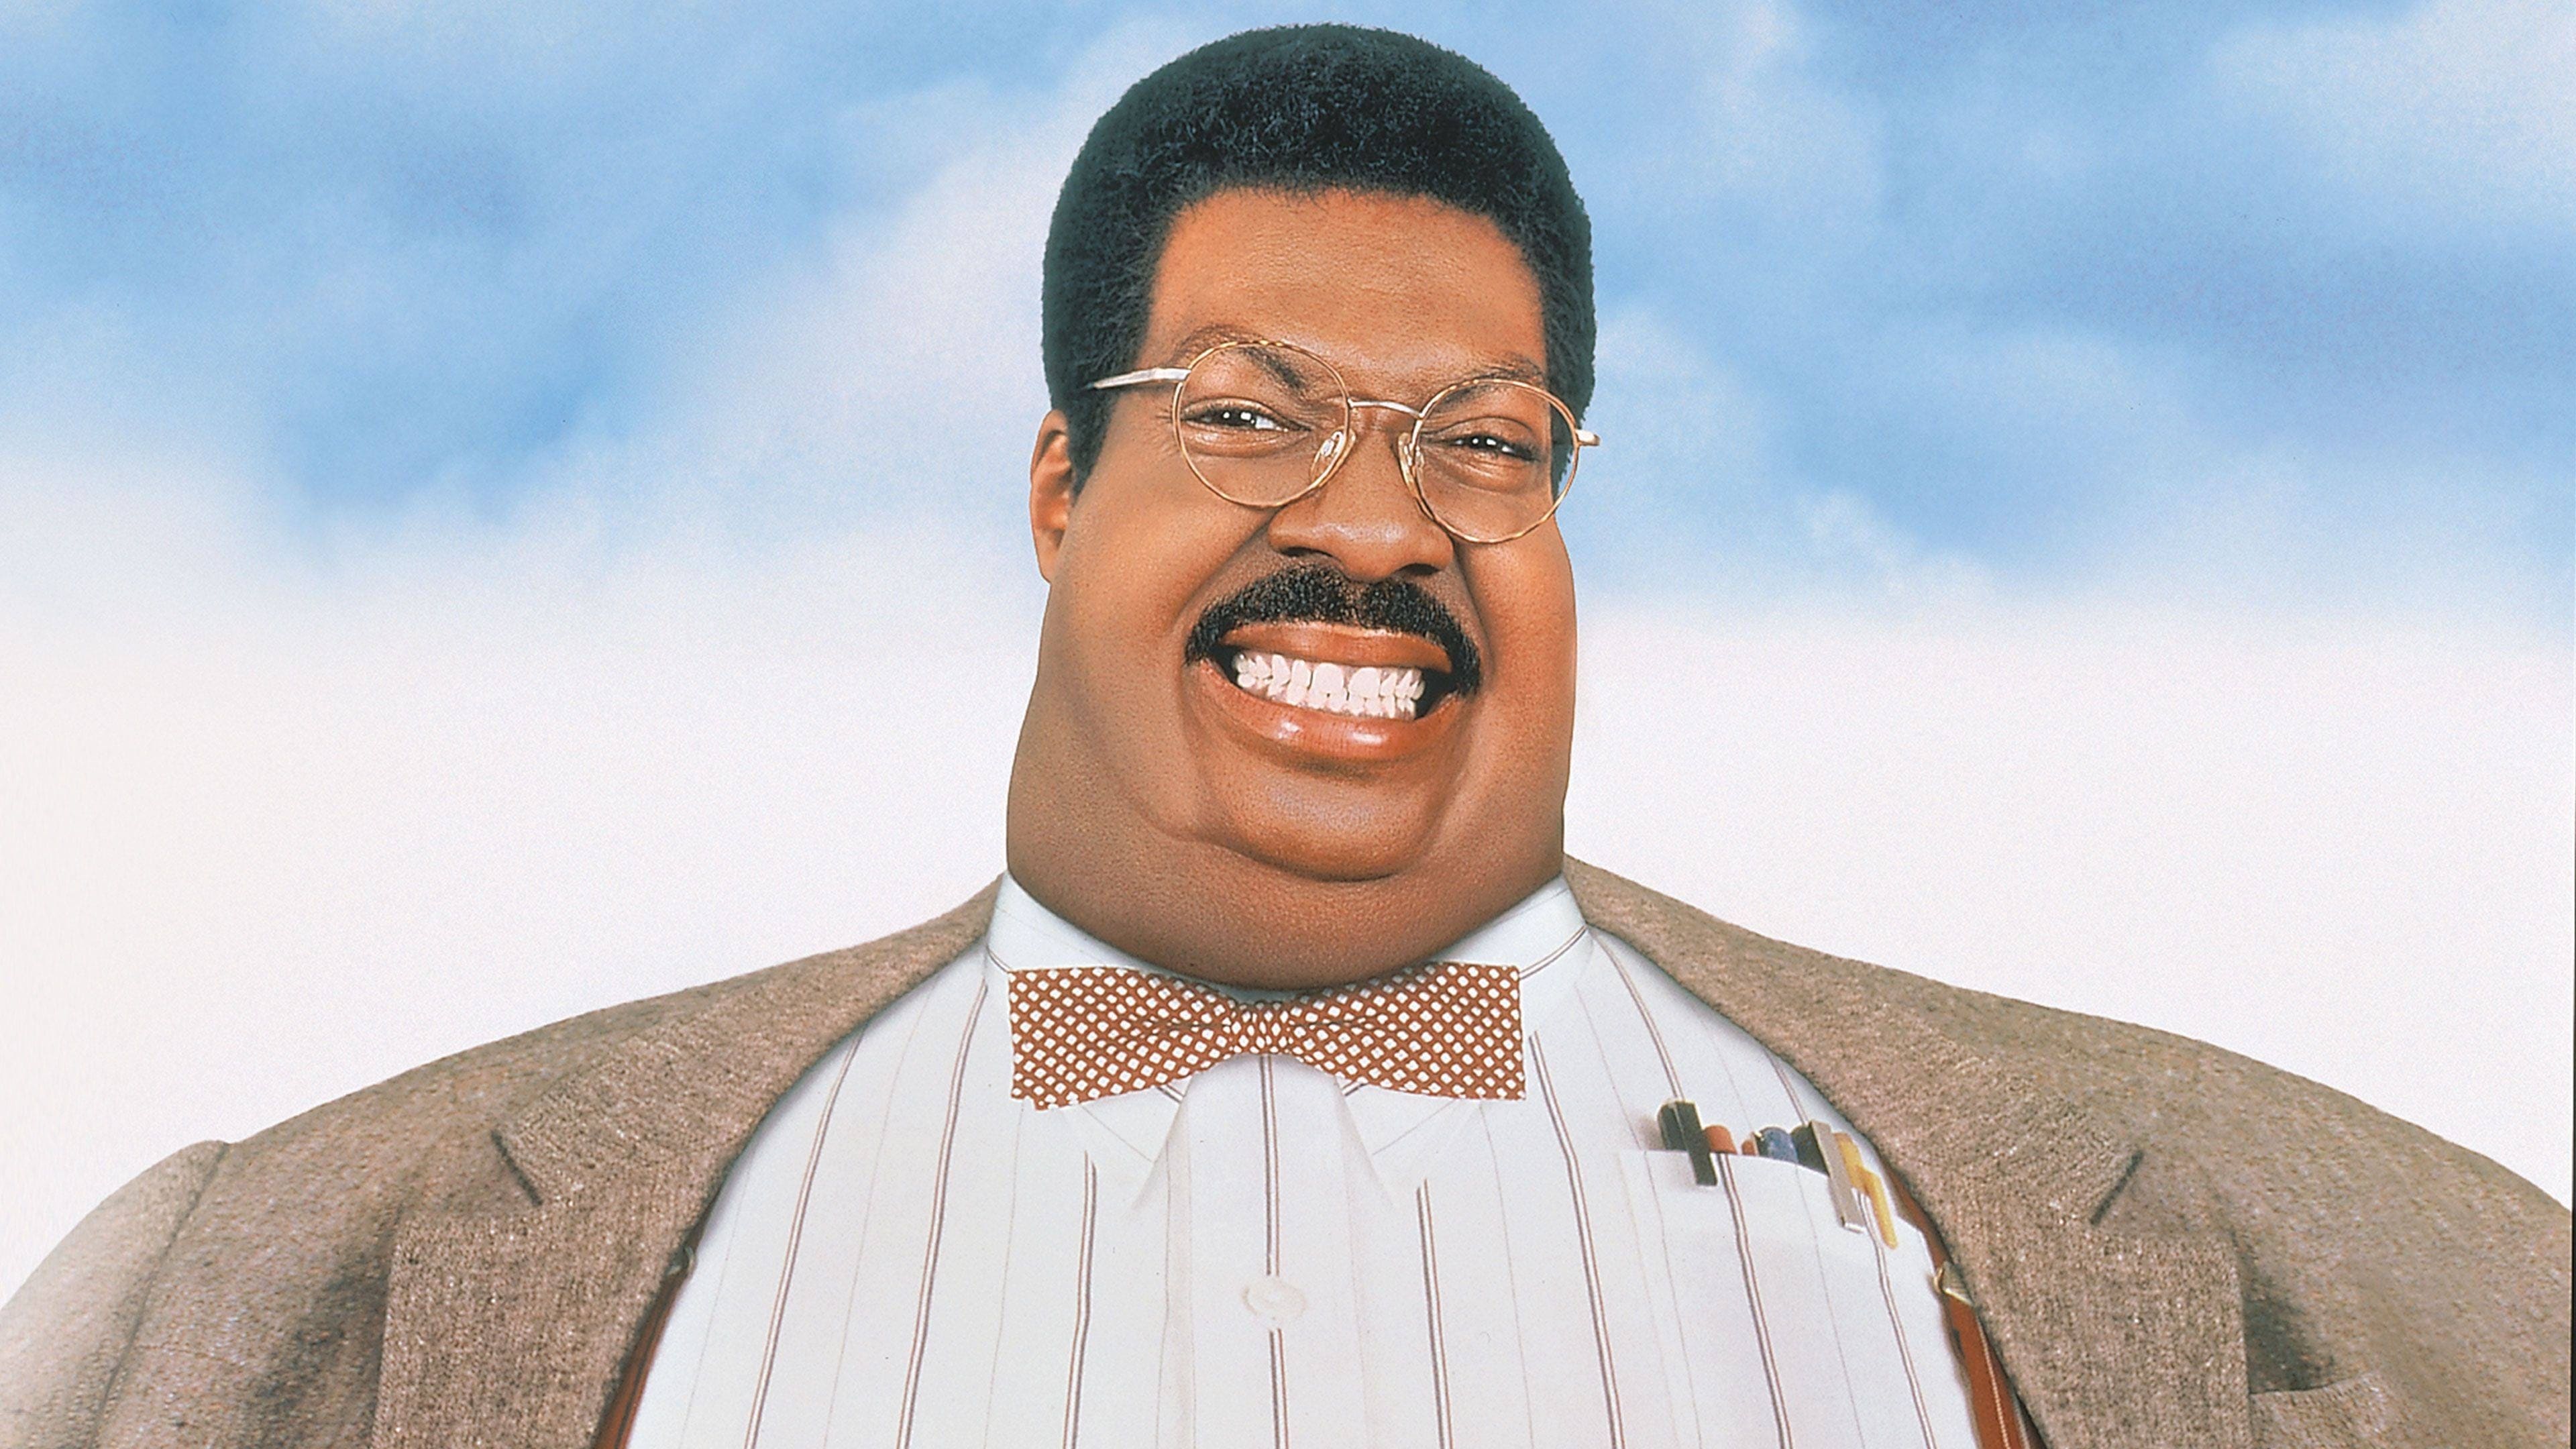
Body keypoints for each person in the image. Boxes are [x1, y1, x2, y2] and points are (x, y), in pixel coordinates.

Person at [3, 25, 2565, 1449]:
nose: (1377, 521)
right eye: (1249, 414)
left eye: (1488, 443)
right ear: (1056, 485)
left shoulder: (2311, 1248)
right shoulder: (258, 1278)